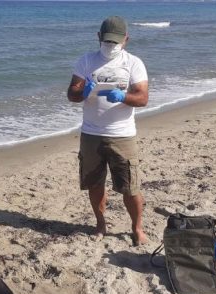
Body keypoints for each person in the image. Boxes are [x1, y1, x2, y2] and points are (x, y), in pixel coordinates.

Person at [66, 16, 149, 245]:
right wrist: (82, 93)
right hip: (91, 134)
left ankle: (137, 228)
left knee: (130, 187)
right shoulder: (86, 61)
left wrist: (124, 96)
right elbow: (71, 93)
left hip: (122, 134)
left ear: (126, 40)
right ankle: (100, 223)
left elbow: (142, 98)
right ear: (98, 37)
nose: (110, 46)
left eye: (115, 42)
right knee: (95, 183)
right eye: (106, 41)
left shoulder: (134, 63)